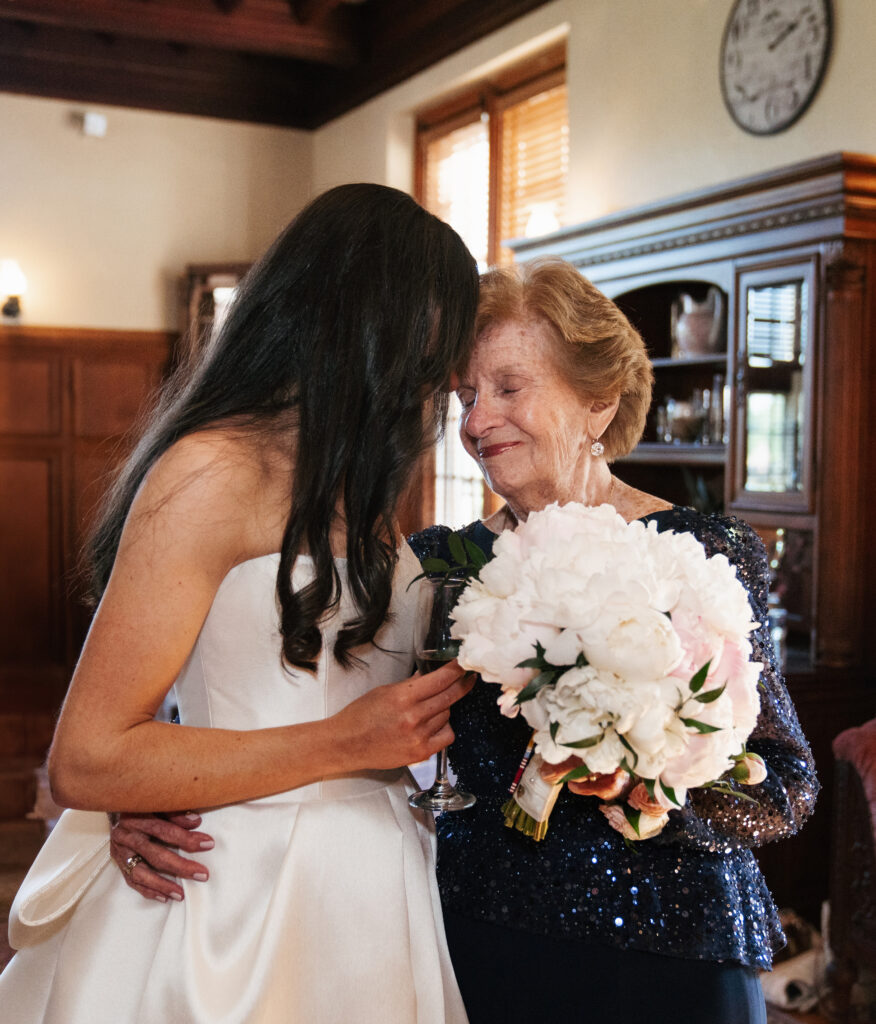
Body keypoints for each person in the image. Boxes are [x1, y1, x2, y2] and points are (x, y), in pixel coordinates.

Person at [105, 258, 818, 1024]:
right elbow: (302, 687)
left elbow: (785, 783)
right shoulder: (439, 560)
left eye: (509, 389)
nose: (476, 423)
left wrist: (653, 791)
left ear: (599, 403)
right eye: (466, 397)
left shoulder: (703, 548)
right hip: (483, 946)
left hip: (677, 947)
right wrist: (153, 791)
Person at [0, 183, 479, 1024]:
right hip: (237, 892)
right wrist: (341, 742)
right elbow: (87, 757)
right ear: (359, 322)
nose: (441, 377)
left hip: (374, 889)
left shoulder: (364, 487)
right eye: (431, 337)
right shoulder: (210, 471)